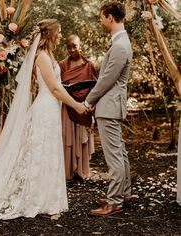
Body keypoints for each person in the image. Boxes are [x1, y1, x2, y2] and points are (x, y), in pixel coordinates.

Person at [0, 19, 88, 235]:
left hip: (51, 109)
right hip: (45, 109)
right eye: (58, 33)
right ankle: (38, 198)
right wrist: (77, 106)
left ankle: (46, 196)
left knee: (47, 153)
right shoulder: (41, 57)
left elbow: (59, 87)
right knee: (40, 153)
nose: (60, 36)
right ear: (49, 35)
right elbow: (55, 89)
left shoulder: (48, 56)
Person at [85, 2, 133, 216]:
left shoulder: (121, 46)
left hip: (109, 106)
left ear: (111, 17)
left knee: (114, 156)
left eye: (102, 17)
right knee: (120, 153)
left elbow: (106, 80)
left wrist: (89, 101)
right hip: (112, 106)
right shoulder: (120, 42)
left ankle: (114, 202)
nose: (100, 20)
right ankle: (124, 194)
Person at [59, 34, 97, 180]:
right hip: (68, 105)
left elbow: (95, 86)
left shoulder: (88, 64)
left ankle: (81, 171)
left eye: (74, 46)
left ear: (80, 45)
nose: (71, 50)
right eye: (68, 47)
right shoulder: (62, 65)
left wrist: (91, 103)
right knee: (67, 136)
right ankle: (69, 171)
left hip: (85, 105)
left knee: (82, 137)